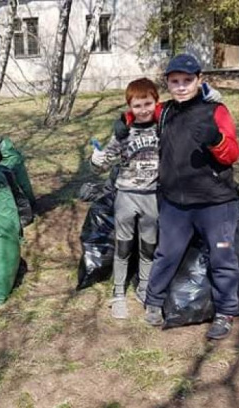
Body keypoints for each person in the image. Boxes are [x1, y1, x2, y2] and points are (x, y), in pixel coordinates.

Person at [131, 53, 239, 340]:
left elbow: (232, 154)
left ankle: (225, 311)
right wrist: (125, 119)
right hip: (175, 203)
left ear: (199, 81)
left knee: (222, 257)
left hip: (215, 202)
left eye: (187, 81)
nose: (181, 87)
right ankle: (154, 303)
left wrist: (215, 140)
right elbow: (142, 112)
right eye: (175, 81)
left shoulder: (216, 111)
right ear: (167, 83)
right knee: (167, 253)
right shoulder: (165, 111)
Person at [90, 77, 161, 319]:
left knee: (149, 246)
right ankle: (118, 292)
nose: (143, 110)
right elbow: (102, 165)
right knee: (123, 245)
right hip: (126, 196)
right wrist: (96, 159)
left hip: (152, 197)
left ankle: (144, 287)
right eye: (137, 105)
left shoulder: (163, 129)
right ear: (129, 106)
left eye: (148, 104)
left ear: (156, 102)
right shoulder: (123, 133)